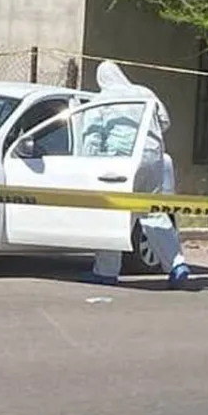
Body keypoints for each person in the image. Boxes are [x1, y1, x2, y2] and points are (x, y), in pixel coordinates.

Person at [82, 61, 191, 289]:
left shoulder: (100, 101)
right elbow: (165, 121)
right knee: (153, 213)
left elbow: (91, 139)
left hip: (120, 162)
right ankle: (176, 264)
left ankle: (106, 271)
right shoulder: (144, 92)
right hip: (153, 157)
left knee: (113, 215)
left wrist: (88, 164)